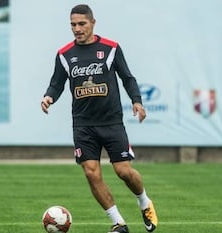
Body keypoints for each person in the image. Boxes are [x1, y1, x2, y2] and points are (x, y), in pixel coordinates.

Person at [41, 4, 158, 233]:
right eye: (73, 25)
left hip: (111, 122)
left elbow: (127, 77)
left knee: (123, 171)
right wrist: (48, 97)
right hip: (83, 125)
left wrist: (137, 101)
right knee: (90, 172)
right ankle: (118, 223)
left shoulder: (111, 48)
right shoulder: (65, 54)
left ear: (93, 22)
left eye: (82, 24)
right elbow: (57, 83)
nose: (77, 29)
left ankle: (144, 202)